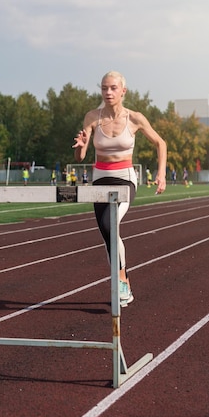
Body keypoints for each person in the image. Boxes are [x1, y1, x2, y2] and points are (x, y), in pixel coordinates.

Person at [73, 70, 167, 307]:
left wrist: (161, 173)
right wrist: (81, 146)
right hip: (100, 179)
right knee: (107, 236)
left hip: (124, 179)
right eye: (104, 88)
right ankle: (123, 279)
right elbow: (81, 155)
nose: (108, 92)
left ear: (123, 91)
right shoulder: (92, 117)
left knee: (109, 225)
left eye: (113, 88)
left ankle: (121, 281)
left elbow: (160, 143)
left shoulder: (134, 118)